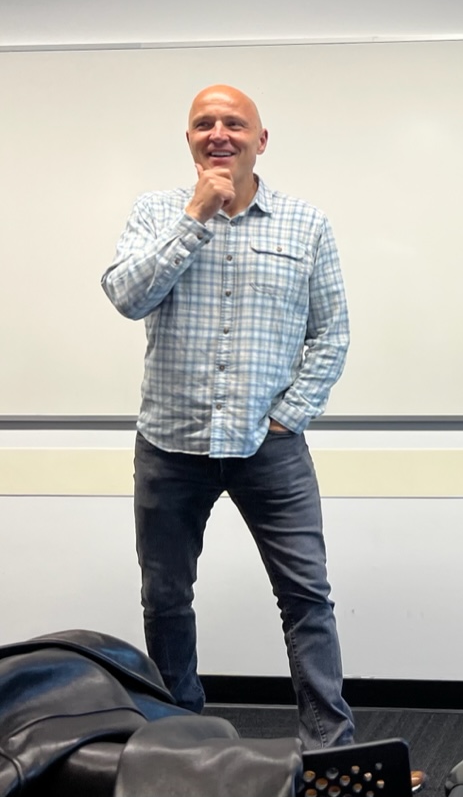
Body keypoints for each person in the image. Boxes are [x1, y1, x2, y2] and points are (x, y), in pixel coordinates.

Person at [101, 84, 356, 751]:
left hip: (269, 446)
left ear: (260, 140)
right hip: (169, 442)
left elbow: (332, 333)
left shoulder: (306, 223)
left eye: (234, 122)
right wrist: (193, 217)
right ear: (189, 139)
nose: (219, 131)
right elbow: (126, 297)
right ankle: (181, 740)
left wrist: (288, 416)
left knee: (307, 597)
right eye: (203, 122)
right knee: (165, 599)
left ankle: (329, 745)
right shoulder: (157, 212)